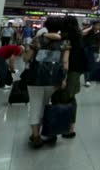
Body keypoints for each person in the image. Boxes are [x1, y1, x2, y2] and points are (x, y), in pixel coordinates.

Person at [24, 16, 69, 149]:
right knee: (45, 104)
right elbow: (65, 63)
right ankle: (46, 132)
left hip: (35, 78)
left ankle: (35, 135)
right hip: (53, 79)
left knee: (35, 104)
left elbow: (27, 58)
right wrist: (64, 79)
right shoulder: (65, 42)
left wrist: (24, 51)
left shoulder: (37, 39)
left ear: (46, 25)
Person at [60, 17, 87, 138]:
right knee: (71, 97)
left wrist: (64, 76)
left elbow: (65, 59)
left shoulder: (66, 37)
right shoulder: (80, 37)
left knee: (65, 97)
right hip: (78, 70)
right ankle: (70, 126)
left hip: (69, 70)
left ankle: (65, 126)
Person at [82, 22, 100, 87]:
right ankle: (87, 80)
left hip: (95, 51)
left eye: (99, 25)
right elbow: (82, 33)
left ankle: (90, 78)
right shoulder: (88, 31)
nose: (98, 26)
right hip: (86, 50)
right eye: (96, 25)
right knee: (87, 65)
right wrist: (90, 28)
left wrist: (99, 52)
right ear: (93, 25)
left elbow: (99, 42)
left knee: (92, 65)